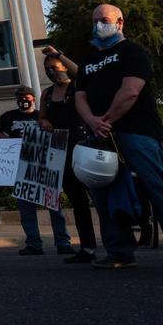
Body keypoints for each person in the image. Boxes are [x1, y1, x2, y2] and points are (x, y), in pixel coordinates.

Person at [74, 4, 163, 270]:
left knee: (157, 187)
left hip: (137, 132)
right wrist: (92, 121)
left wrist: (106, 120)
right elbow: (80, 97)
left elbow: (130, 91)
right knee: (104, 193)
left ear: (120, 22)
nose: (100, 25)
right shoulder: (87, 62)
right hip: (101, 137)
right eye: (96, 20)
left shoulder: (132, 52)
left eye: (105, 20)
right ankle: (119, 251)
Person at [0, 86, 72, 256]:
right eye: (19, 97)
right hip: (21, 170)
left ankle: (63, 242)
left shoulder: (41, 116)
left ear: (33, 98)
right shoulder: (9, 117)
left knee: (54, 207)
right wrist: (5, 140)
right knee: (26, 209)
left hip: (45, 167)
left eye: (25, 96)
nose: (22, 100)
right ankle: (34, 243)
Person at [38, 48, 99, 263]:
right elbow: (43, 117)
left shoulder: (77, 88)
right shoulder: (46, 94)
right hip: (61, 149)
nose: (51, 73)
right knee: (78, 201)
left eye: (54, 68)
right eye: (47, 69)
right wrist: (44, 122)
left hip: (83, 146)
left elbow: (82, 73)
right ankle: (88, 247)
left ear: (64, 66)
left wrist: (60, 54)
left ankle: (116, 242)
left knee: (99, 198)